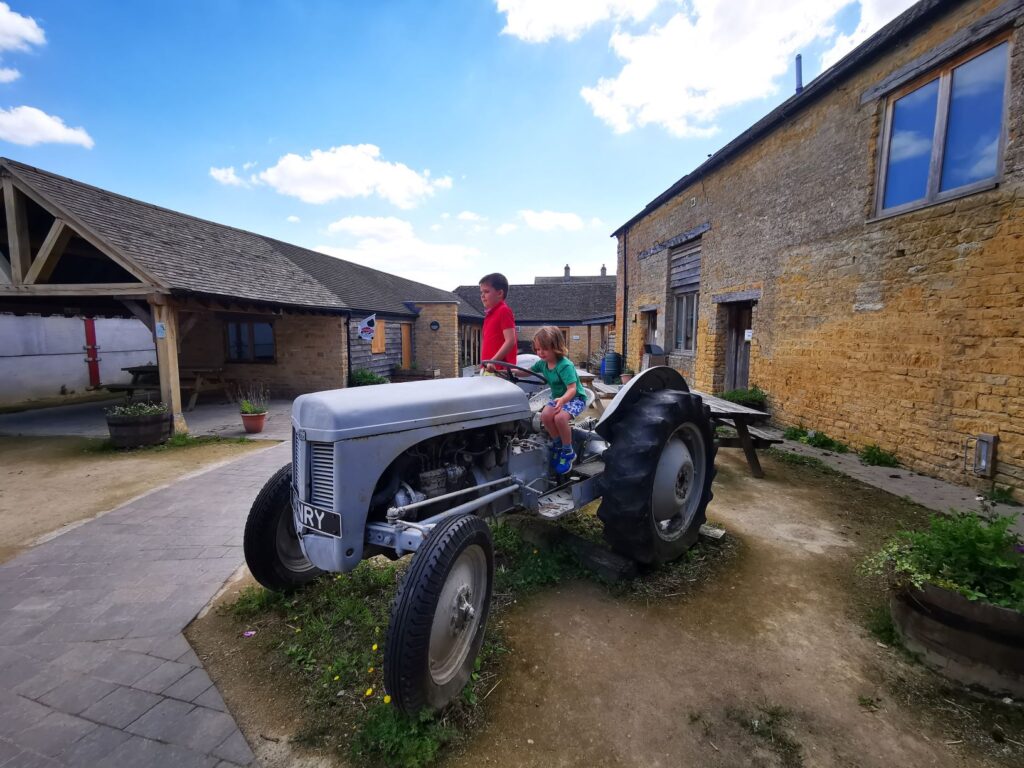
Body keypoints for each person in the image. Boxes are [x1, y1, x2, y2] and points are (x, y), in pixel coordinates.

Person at [524, 326, 586, 474]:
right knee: (545, 416)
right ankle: (558, 444)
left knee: (559, 418)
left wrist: (563, 400)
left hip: (574, 398)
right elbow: (524, 372)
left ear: (556, 346)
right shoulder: (542, 363)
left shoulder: (565, 365)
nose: (540, 353)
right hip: (557, 398)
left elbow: (572, 389)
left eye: (544, 349)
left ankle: (568, 450)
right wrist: (505, 371)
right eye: (537, 349)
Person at [479, 273, 517, 374]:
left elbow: (510, 340)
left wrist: (493, 361)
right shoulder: (489, 315)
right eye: (481, 292)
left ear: (500, 293)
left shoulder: (504, 311)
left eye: (486, 291)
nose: (482, 295)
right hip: (488, 368)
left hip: (500, 371)